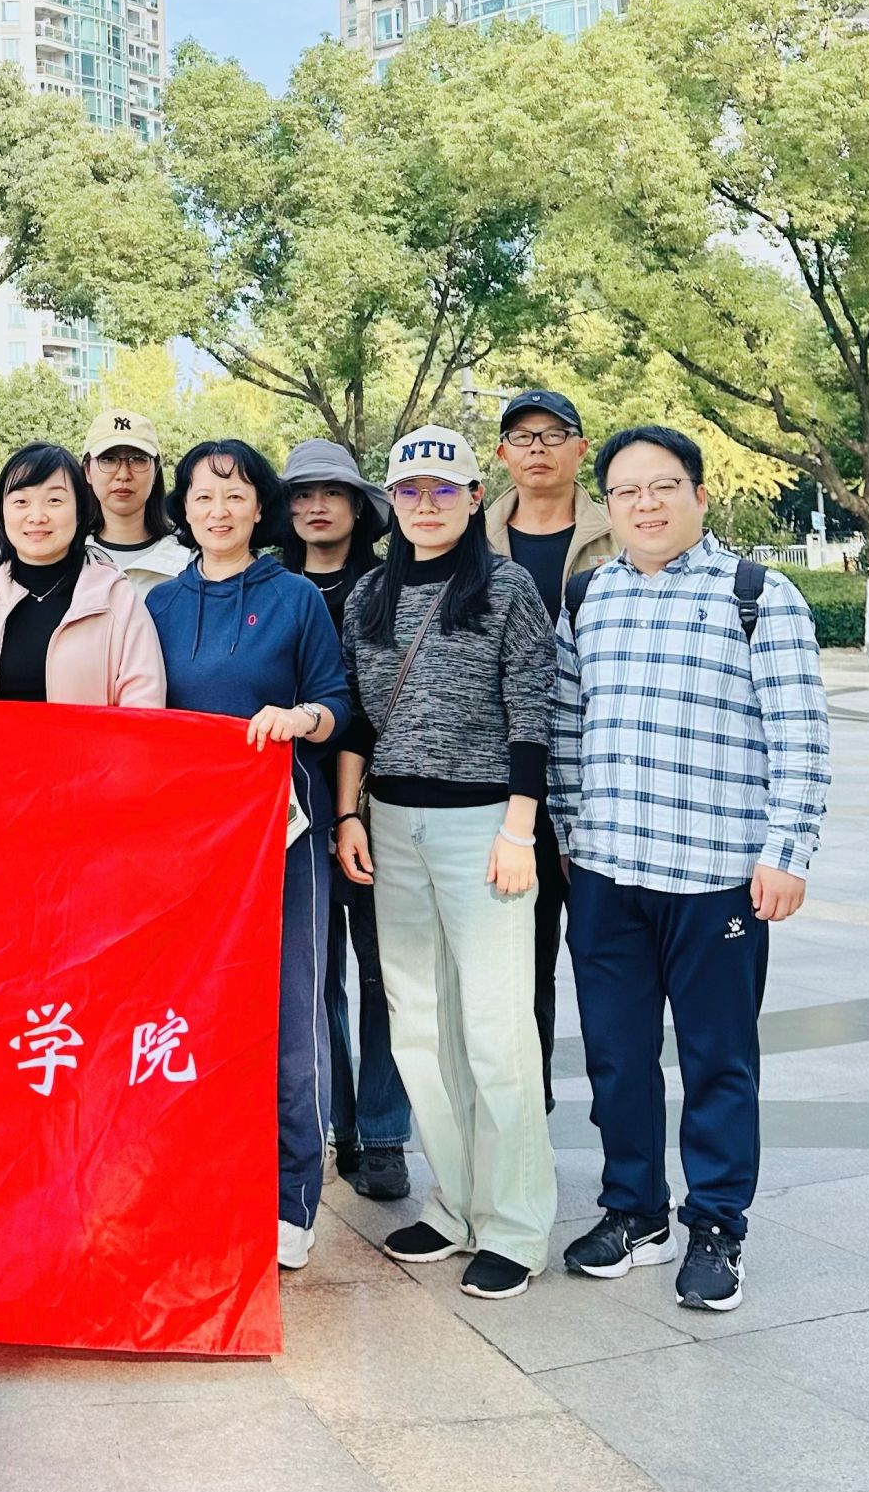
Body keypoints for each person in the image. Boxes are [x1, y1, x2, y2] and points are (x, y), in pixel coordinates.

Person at [552, 426, 829, 1315]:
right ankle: (635, 1212)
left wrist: (785, 852)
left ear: (699, 495)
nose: (646, 503)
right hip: (607, 873)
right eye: (626, 490)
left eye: (663, 485)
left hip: (718, 879)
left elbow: (800, 736)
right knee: (617, 1057)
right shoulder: (587, 596)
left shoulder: (759, 596)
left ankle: (716, 1226)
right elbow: (564, 728)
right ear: (609, 506)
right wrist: (567, 832)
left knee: (718, 1060)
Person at [332, 425, 558, 1301]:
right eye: (410, 490)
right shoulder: (368, 594)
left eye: (443, 488)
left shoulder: (506, 587)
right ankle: (456, 1202)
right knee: (420, 1025)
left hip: (484, 823)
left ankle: (515, 1224)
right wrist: (349, 814)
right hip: (392, 822)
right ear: (391, 501)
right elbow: (358, 716)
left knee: (496, 1027)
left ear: (473, 496)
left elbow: (531, 712)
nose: (426, 504)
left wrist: (519, 828)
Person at [147, 439, 348, 1273]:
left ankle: (293, 1197)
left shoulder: (295, 597)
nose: (218, 510)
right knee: (196, 1012)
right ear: (183, 509)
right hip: (190, 848)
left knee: (292, 1017)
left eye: (234, 495)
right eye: (202, 496)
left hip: (286, 835)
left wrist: (301, 718)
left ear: (260, 506)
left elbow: (337, 703)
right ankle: (207, 1183)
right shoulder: (158, 603)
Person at [278, 438, 410, 1205]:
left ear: (360, 507)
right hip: (291, 810)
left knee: (381, 971)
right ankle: (337, 1123)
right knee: (313, 973)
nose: (316, 506)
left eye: (332, 492)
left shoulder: (390, 585)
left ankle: (386, 1133)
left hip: (379, 803)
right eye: (301, 494)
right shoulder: (269, 585)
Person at [485, 389, 618, 1109]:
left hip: (598, 783)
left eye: (553, 434)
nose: (537, 448)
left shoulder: (620, 532)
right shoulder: (470, 537)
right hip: (506, 787)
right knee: (519, 966)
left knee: (607, 965)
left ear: (580, 447)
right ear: (502, 452)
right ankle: (527, 1116)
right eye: (522, 436)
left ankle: (618, 1117)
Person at [0, 442, 165, 704]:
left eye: (54, 500)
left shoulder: (118, 601)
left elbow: (143, 706)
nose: (37, 516)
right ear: (2, 512)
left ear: (80, 510)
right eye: (21, 501)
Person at [81, 409, 192, 592]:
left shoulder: (190, 559)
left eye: (138, 459)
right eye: (108, 459)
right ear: (87, 471)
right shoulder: (66, 557)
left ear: (155, 470)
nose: (123, 474)